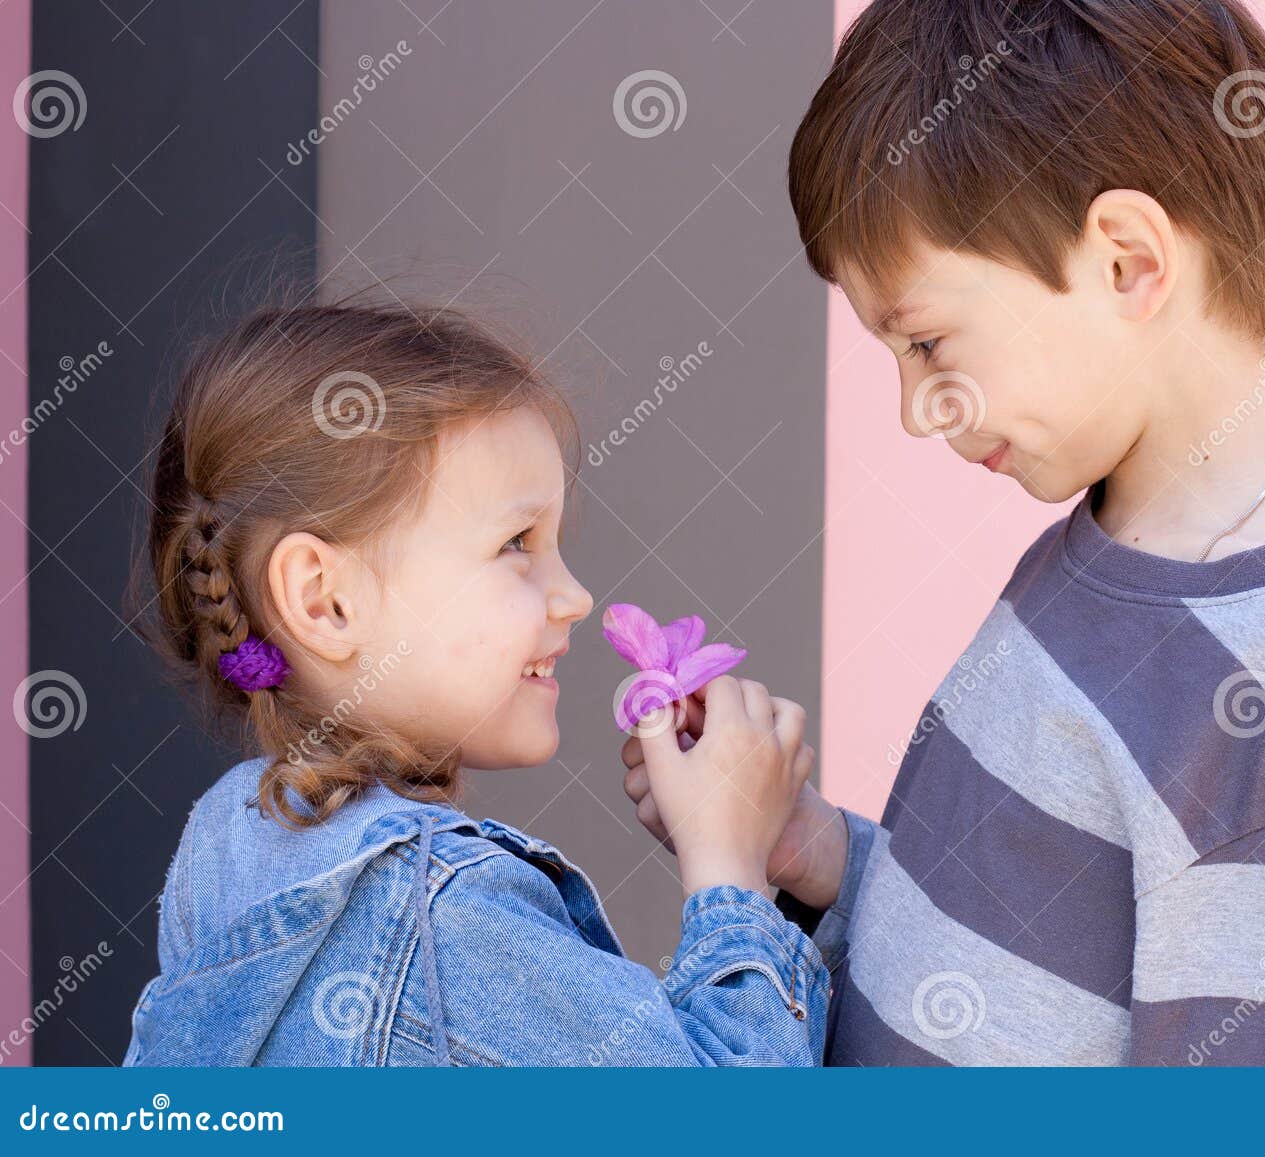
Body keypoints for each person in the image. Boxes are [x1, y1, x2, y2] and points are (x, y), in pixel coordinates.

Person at [624, 0, 1265, 1065]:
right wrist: (818, 854)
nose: (917, 409)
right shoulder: (1100, 554)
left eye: (925, 343)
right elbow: (1029, 973)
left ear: (1126, 263)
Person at [123, 298, 824, 1066]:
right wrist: (731, 868)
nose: (577, 597)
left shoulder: (229, 842)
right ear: (326, 600)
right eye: (516, 543)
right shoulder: (443, 910)